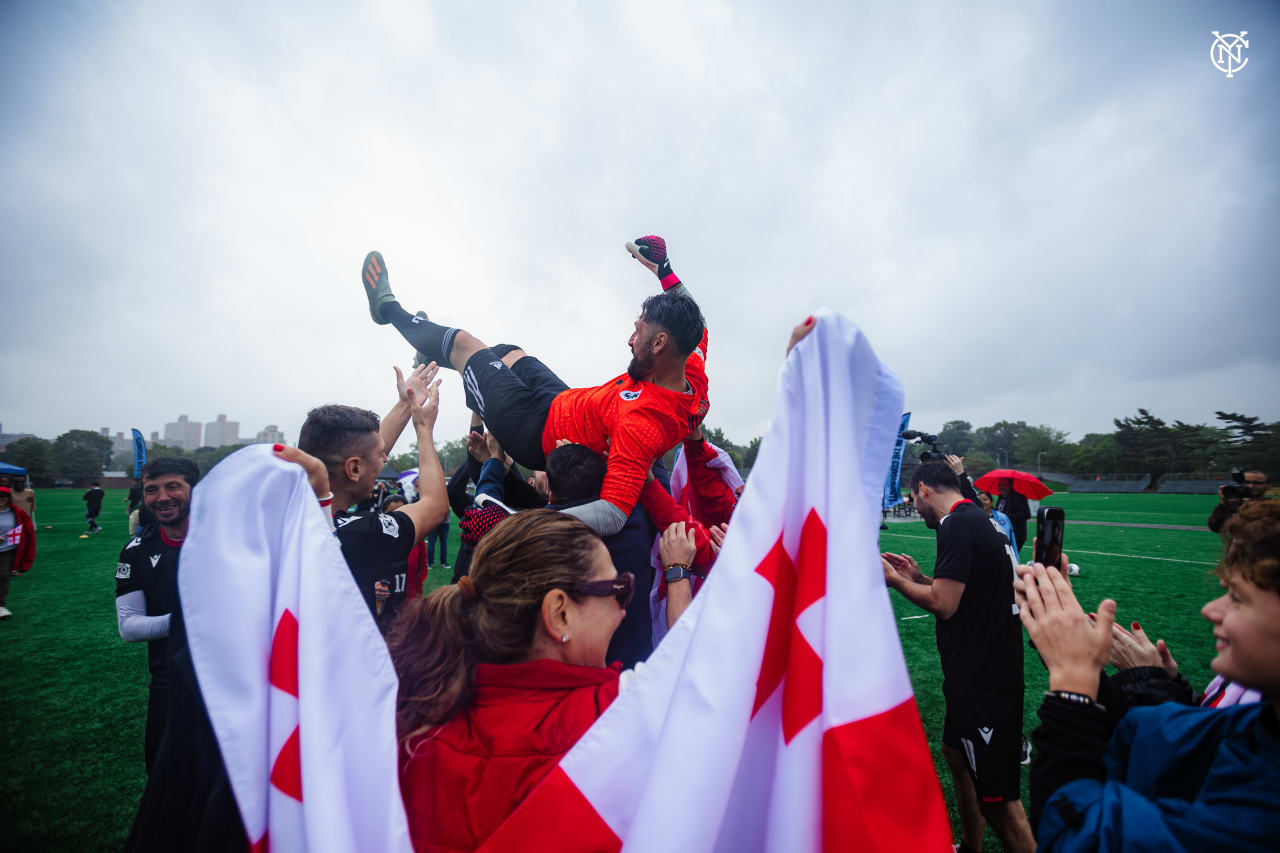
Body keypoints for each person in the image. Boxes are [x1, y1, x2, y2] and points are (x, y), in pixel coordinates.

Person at [360, 235, 709, 537]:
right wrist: (664, 269)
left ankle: (390, 311)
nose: (630, 339)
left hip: (533, 431)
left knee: (468, 344)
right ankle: (434, 349)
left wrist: (517, 520)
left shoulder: (643, 425)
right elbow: (693, 315)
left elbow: (612, 514)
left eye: (639, 332)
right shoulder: (690, 368)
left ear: (661, 344)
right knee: (508, 353)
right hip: (562, 401)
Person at [1018, 499, 1280, 850]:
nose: (1211, 610)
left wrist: (1072, 689)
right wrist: (1097, 665)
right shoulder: (1260, 725)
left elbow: (1075, 835)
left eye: (1238, 598)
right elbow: (1150, 737)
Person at [391, 509, 656, 852]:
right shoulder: (624, 716)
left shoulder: (412, 730)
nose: (623, 608)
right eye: (618, 588)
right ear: (559, 613)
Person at [881, 461, 1033, 853]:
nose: (914, 506)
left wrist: (896, 582)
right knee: (954, 751)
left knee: (999, 802)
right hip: (988, 669)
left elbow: (944, 605)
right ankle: (970, 845)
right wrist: (919, 578)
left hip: (983, 679)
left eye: (913, 497)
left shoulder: (957, 524)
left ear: (924, 490)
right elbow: (969, 590)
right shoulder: (978, 519)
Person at [296, 363, 449, 635]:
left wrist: (405, 404)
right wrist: (423, 429)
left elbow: (363, 457)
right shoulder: (360, 534)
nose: (384, 460)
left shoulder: (287, 518)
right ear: (353, 469)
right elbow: (434, 507)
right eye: (381, 456)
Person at [114, 457, 200, 771]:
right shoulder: (136, 549)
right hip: (169, 684)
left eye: (172, 486)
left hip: (235, 681)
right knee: (166, 782)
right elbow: (129, 626)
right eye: (152, 490)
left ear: (195, 489)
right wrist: (188, 621)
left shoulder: (229, 539)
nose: (161, 497)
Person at [0, 486, 37, 620]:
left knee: (3, 576)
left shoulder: (16, 513)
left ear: (9, 498)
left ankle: (1, 606)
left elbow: (26, 530)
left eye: (3, 497)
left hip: (7, 551)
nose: (1, 499)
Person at [384, 494, 429, 600]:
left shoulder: (417, 537)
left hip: (411, 599)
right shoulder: (378, 539)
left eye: (401, 512)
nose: (395, 518)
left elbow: (422, 569)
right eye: (391, 513)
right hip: (386, 600)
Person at [1207, 469, 1269, 533]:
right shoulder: (1234, 503)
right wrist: (1223, 504)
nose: (1251, 486)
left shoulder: (1272, 505)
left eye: (1257, 483)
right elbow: (1216, 527)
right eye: (1246, 482)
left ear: (1267, 486)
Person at [996, 477, 1031, 555]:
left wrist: (1007, 517)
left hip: (1016, 535)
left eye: (1004, 485)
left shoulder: (1020, 497)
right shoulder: (1000, 498)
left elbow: (1026, 515)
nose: (1001, 487)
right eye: (1000, 485)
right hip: (1003, 534)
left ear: (1011, 485)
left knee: (1012, 558)